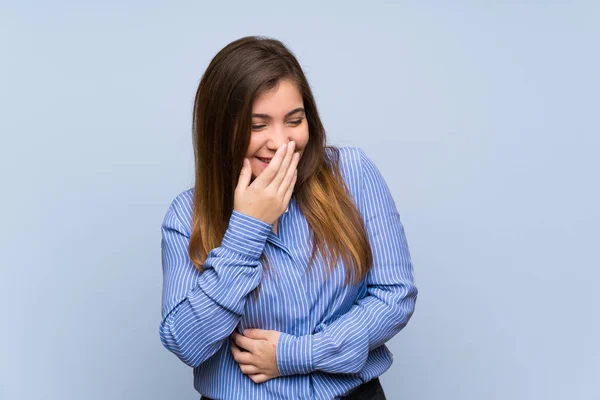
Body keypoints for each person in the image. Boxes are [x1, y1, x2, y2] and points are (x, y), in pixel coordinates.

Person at [159, 35, 418, 400]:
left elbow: (394, 296)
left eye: (293, 120)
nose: (281, 142)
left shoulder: (353, 174)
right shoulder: (186, 216)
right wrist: (248, 229)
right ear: (221, 129)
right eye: (257, 125)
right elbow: (186, 342)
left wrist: (298, 354)